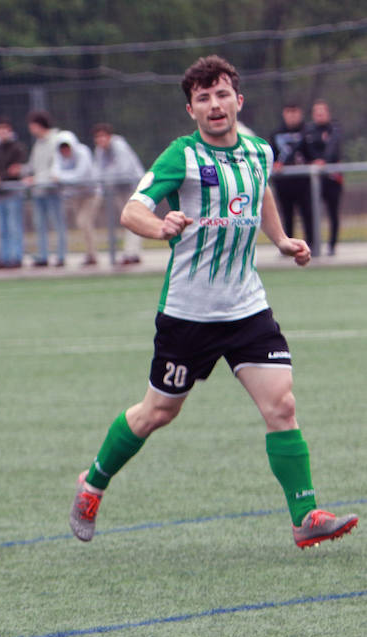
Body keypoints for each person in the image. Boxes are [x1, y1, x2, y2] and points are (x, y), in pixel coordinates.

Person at [68, 55, 357, 550]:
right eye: (203, 98)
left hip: (246, 308)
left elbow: (261, 191)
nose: (214, 105)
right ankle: (93, 483)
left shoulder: (259, 151)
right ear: (192, 110)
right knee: (157, 412)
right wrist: (160, 226)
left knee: (281, 406)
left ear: (238, 101)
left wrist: (282, 239)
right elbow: (131, 210)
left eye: (222, 94)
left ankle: (304, 516)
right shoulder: (180, 157)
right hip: (188, 315)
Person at [91, 123, 146, 265]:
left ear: (109, 137)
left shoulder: (119, 146)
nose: (101, 140)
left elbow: (124, 170)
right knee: (128, 221)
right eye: (98, 137)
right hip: (117, 189)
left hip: (133, 187)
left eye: (103, 136)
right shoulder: (100, 151)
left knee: (133, 219)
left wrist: (106, 178)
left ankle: (131, 253)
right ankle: (132, 253)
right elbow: (98, 171)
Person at [51, 131, 100, 266]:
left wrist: (62, 177)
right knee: (83, 225)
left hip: (91, 193)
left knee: (83, 222)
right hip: (75, 195)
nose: (65, 150)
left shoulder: (83, 152)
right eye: (62, 148)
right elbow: (54, 172)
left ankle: (92, 254)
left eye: (67, 147)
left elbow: (80, 174)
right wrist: (62, 177)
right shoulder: (59, 156)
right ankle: (90, 254)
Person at [0, 117, 27, 269]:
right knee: (0, 229)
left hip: (12, 192)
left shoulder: (17, 148)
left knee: (14, 227)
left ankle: (16, 257)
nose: (2, 132)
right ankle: (3, 257)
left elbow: (15, 170)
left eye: (5, 129)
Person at [25, 111, 66, 267]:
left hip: (52, 190)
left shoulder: (56, 140)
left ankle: (60, 256)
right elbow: (33, 166)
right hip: (38, 191)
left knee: (57, 223)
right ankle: (43, 256)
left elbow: (56, 167)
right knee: (39, 224)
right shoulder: (38, 143)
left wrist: (37, 179)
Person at [270, 104, 313, 249]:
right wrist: (275, 163)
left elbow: (312, 154)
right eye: (289, 112)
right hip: (284, 181)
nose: (292, 116)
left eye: (295, 112)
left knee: (307, 213)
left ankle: (311, 244)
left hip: (303, 181)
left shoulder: (308, 132)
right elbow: (272, 155)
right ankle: (288, 245)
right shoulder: (276, 133)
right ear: (284, 114)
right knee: (286, 215)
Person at [304, 99, 343, 256]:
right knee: (310, 211)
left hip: (332, 178)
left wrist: (324, 161)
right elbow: (301, 147)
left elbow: (333, 147)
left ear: (328, 113)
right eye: (316, 112)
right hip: (314, 180)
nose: (319, 115)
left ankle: (332, 245)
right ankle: (312, 244)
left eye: (322, 111)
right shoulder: (308, 131)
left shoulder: (334, 128)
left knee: (333, 212)